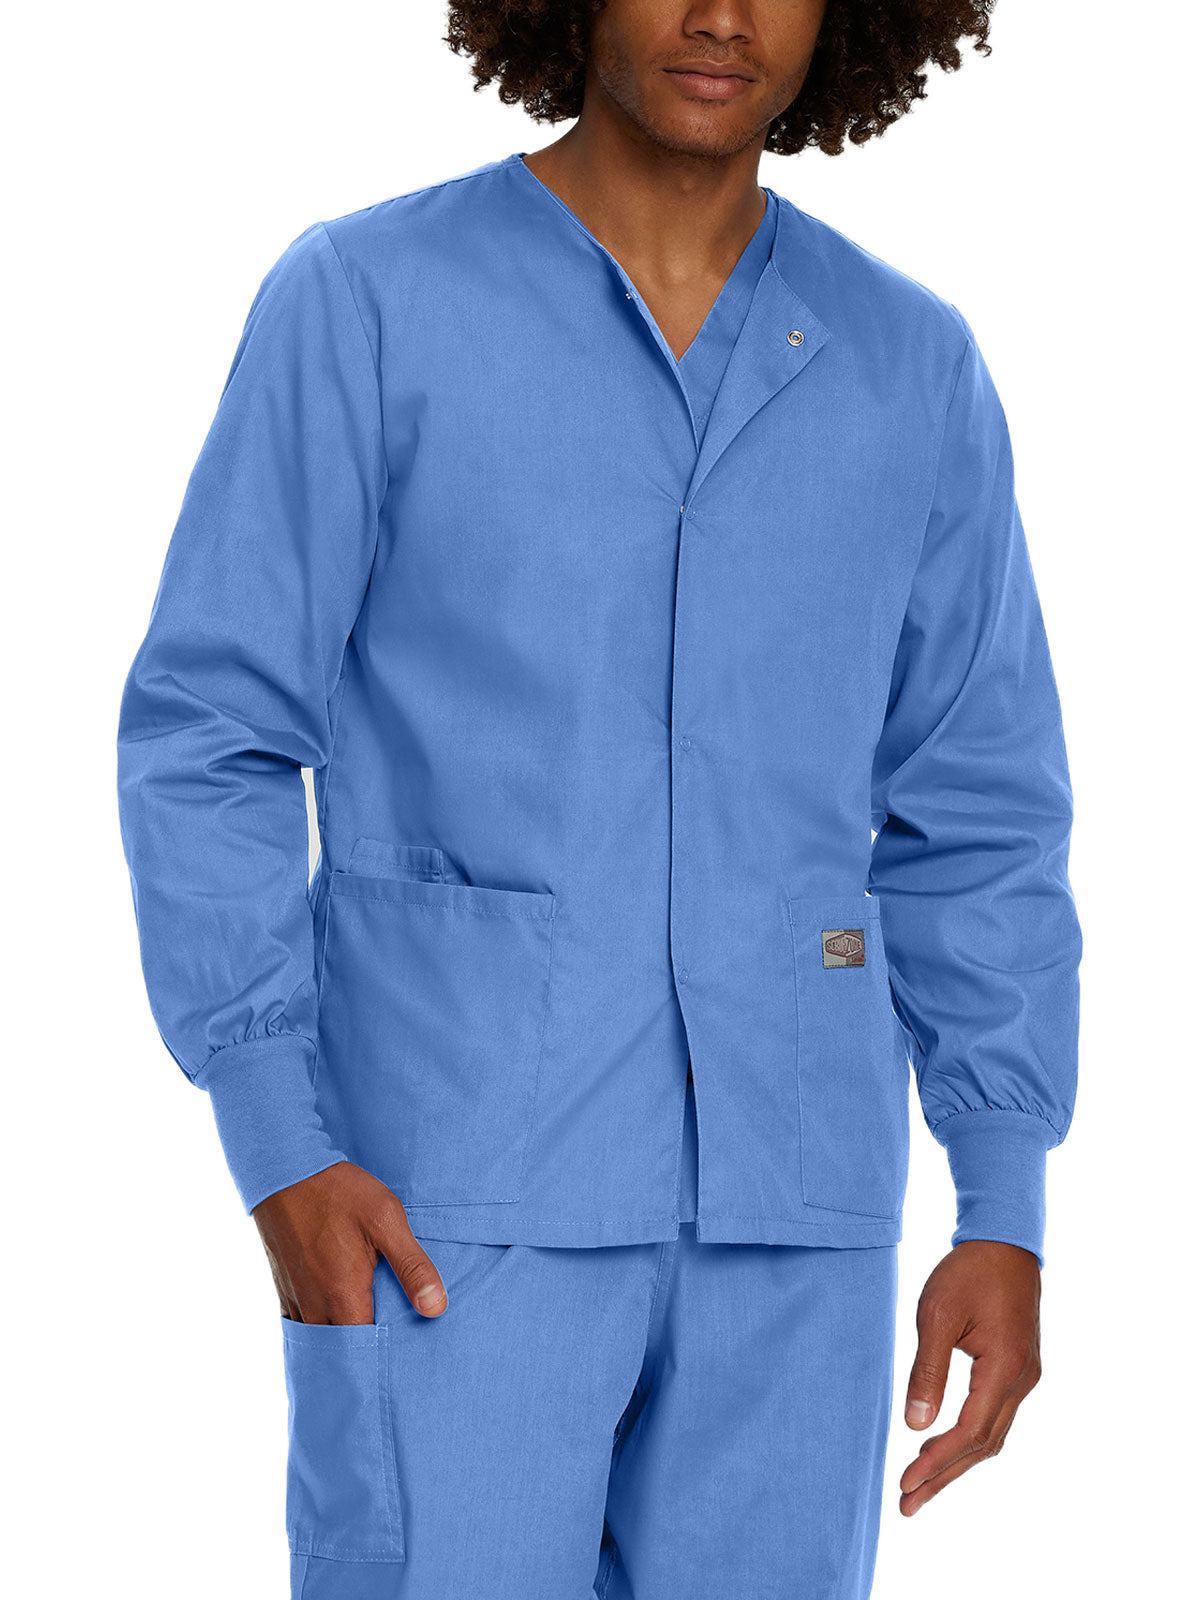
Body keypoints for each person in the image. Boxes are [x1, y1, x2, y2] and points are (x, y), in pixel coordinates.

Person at [116, 3, 1082, 1596]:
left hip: (800, 1219)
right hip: (443, 1208)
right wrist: (278, 1143)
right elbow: (211, 731)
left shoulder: (912, 367)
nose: (722, 15)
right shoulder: (370, 301)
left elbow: (977, 813)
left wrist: (1004, 1203)